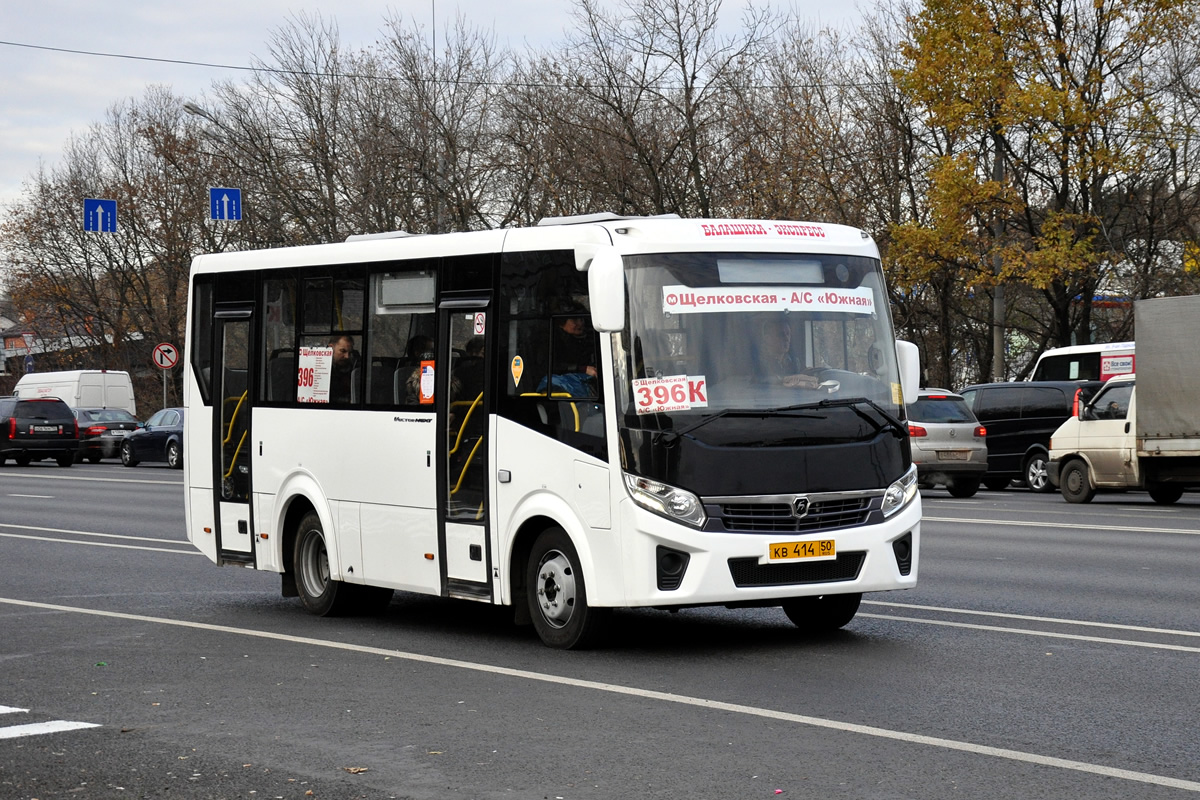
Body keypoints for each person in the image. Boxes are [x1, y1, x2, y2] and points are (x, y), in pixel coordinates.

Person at [758, 318, 818, 389]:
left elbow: (805, 374)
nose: (787, 338)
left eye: (788, 334)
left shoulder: (795, 362)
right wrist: (785, 379)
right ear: (768, 339)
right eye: (781, 334)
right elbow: (756, 380)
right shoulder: (758, 362)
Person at [327, 333, 357, 403]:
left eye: (350, 353)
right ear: (330, 348)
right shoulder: (321, 369)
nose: (347, 356)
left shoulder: (353, 369)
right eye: (343, 351)